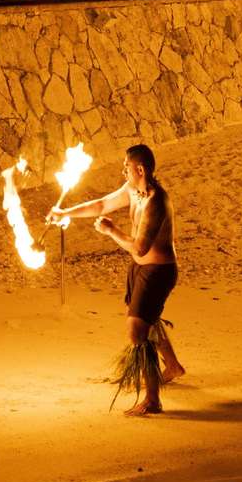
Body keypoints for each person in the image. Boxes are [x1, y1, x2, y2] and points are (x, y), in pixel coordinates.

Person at [50, 144, 184, 417]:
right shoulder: (132, 191)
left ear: (140, 169)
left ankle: (152, 399)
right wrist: (65, 214)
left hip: (158, 272)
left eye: (126, 166)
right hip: (139, 270)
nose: (123, 170)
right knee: (149, 319)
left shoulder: (156, 202)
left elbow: (140, 248)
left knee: (137, 330)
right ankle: (172, 366)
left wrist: (111, 231)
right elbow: (101, 204)